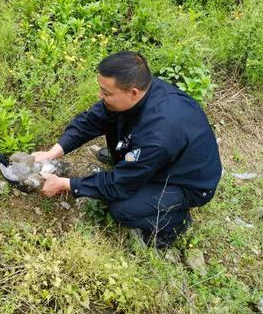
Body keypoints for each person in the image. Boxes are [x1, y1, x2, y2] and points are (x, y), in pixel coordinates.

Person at [33, 51, 222, 248]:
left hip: (188, 183)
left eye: (106, 93)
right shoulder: (141, 89)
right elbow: (91, 121)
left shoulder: (158, 135)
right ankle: (130, 158)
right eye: (101, 89)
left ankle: (174, 223)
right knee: (112, 117)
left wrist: (65, 183)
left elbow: (120, 185)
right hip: (162, 155)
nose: (100, 96)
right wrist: (51, 153)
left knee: (122, 209)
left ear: (133, 93)